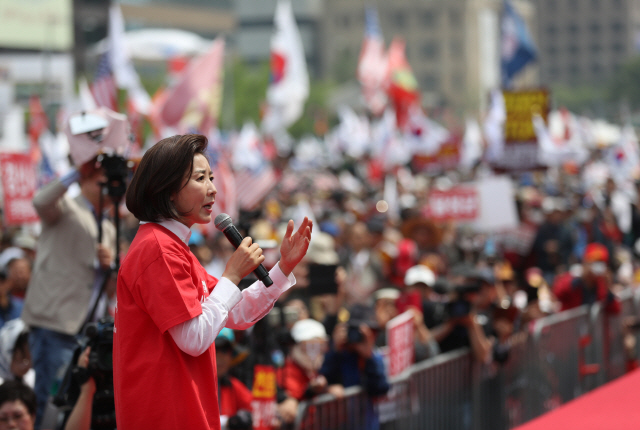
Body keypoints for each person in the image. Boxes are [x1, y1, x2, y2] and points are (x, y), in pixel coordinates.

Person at [113, 134, 312, 430]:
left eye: (211, 177)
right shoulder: (157, 249)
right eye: (200, 179)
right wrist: (231, 275)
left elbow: (235, 311)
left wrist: (283, 268)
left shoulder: (173, 247)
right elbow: (194, 337)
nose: (213, 189)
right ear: (167, 190)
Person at [21, 157, 116, 428]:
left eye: (113, 185)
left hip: (87, 330)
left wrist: (110, 267)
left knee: (77, 405)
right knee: (50, 404)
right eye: (101, 183)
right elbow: (40, 201)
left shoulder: (108, 227)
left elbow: (107, 288)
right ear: (84, 181)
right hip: (57, 325)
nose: (108, 191)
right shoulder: (64, 207)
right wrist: (77, 171)